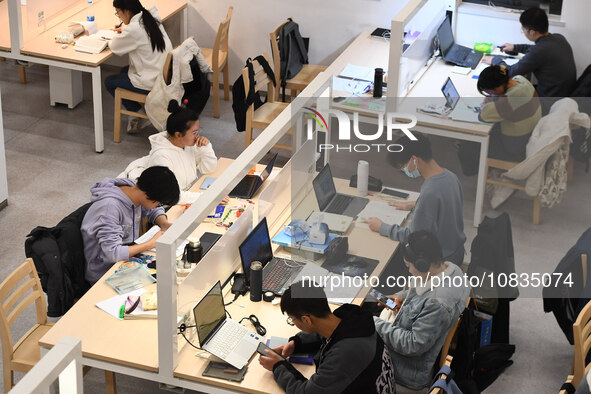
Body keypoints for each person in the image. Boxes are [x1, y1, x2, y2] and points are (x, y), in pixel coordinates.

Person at [258, 281, 396, 394]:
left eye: (292, 320)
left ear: (306, 320)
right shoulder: (352, 319)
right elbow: (327, 333)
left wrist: (278, 366)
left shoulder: (344, 355)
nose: (294, 323)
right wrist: (297, 343)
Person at [373, 230, 469, 391]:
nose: (409, 271)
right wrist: (402, 296)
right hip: (409, 333)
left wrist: (374, 323)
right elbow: (421, 291)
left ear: (422, 264)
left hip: (407, 371)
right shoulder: (454, 272)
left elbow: (412, 345)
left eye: (408, 266)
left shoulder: (436, 303)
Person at [365, 133, 466, 265]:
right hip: (456, 251)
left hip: (439, 260)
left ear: (414, 159)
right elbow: (445, 205)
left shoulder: (430, 192)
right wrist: (416, 204)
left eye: (403, 166)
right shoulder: (451, 177)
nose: (404, 169)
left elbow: (414, 237)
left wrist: (382, 227)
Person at [81, 166, 179, 283]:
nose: (158, 205)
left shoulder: (136, 189)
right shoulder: (109, 209)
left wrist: (163, 223)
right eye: (159, 201)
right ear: (147, 195)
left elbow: (152, 209)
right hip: (105, 271)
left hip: (128, 258)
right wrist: (151, 243)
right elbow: (113, 254)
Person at [105, 0, 173, 133]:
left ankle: (138, 112)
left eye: (118, 13)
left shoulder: (134, 29)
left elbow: (114, 46)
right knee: (124, 70)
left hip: (152, 81)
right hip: (163, 75)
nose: (119, 17)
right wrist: (125, 30)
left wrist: (116, 35)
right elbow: (135, 33)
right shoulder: (150, 17)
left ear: (127, 11)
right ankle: (138, 113)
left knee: (109, 82)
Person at [482, 7, 576, 98]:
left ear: (532, 32)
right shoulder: (559, 37)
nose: (523, 32)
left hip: (548, 101)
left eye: (523, 29)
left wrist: (495, 60)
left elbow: (510, 72)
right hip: (564, 94)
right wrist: (514, 47)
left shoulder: (538, 51)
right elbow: (535, 48)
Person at [147, 100, 218, 204]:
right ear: (178, 134)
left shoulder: (186, 144)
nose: (197, 136)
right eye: (194, 132)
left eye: (198, 131)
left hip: (187, 195)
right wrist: (205, 197)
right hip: (168, 204)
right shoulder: (161, 157)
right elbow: (170, 195)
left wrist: (206, 148)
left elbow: (208, 169)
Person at [477, 65, 542, 162]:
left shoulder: (510, 99)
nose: (490, 93)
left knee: (474, 145)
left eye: (490, 91)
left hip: (517, 145)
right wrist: (495, 97)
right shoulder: (521, 80)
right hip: (531, 131)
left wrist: (487, 103)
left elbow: (483, 116)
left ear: (498, 87)